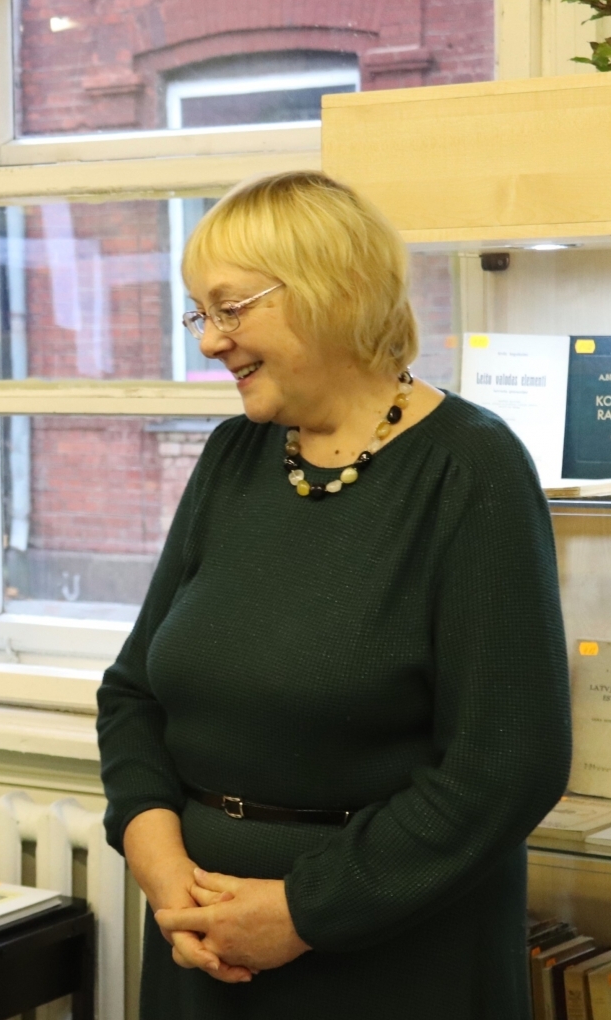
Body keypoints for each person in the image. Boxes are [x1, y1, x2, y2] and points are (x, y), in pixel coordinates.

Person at [95, 171, 571, 1018]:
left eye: (231, 309)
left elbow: (505, 765)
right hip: (198, 946)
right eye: (199, 314)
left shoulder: (474, 469)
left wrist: (304, 912)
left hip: (392, 955)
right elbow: (133, 693)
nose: (209, 342)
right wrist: (162, 868)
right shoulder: (231, 459)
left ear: (332, 290)